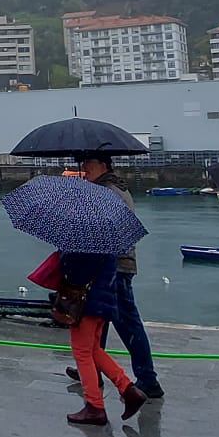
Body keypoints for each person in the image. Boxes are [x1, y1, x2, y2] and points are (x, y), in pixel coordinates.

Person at [64, 152, 164, 399]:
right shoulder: (110, 188)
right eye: (83, 161)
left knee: (127, 322)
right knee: (100, 321)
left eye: (89, 161)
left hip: (114, 267)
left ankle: (147, 379)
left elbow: (103, 231)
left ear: (104, 165)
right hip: (115, 264)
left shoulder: (107, 192)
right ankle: (92, 369)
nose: (84, 165)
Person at [60, 250, 147, 425]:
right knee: (94, 349)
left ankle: (94, 406)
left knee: (82, 352)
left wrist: (63, 257)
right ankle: (128, 389)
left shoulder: (85, 241)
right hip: (103, 302)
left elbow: (76, 272)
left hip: (87, 303)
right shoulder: (107, 242)